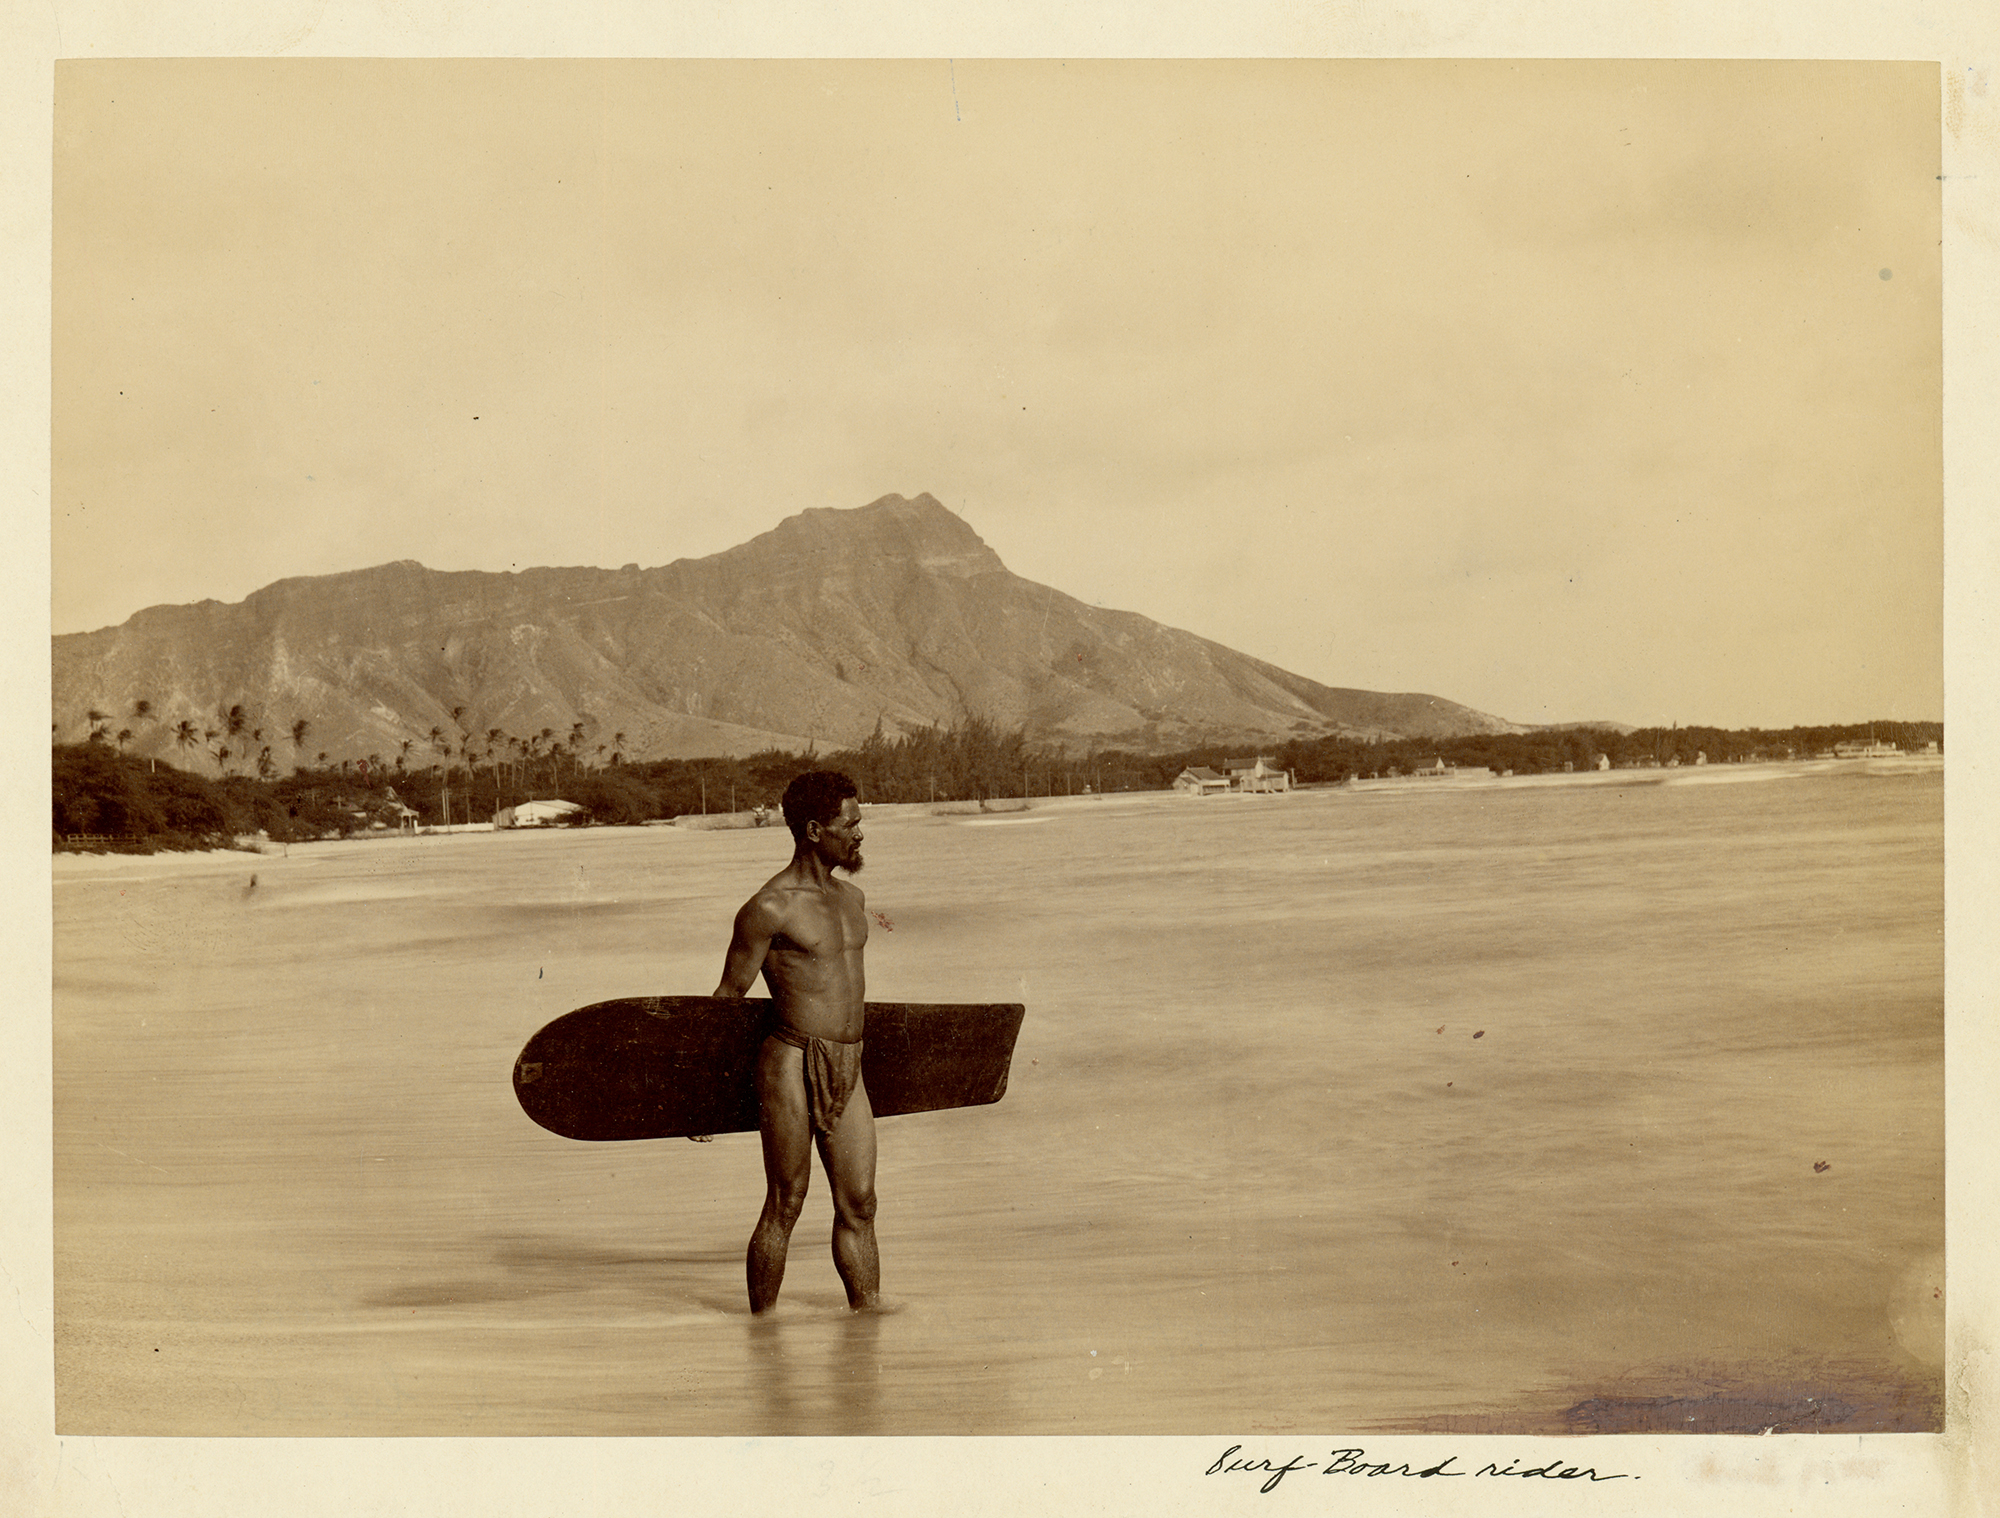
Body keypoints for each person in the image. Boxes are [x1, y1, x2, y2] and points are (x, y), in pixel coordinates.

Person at [713, 769, 880, 1312]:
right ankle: (762, 1330)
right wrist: (705, 1096)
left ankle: (868, 1327)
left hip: (849, 1065)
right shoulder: (769, 908)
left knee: (859, 1204)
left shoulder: (853, 899)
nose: (860, 833)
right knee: (786, 1202)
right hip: (789, 1058)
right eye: (849, 823)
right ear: (814, 829)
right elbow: (728, 996)